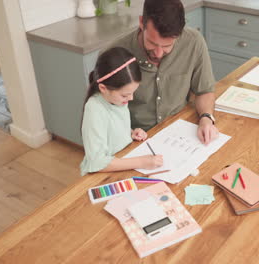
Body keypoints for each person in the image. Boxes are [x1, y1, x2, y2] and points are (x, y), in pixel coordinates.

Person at [119, 0, 219, 145]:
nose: (159, 53)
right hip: (133, 139)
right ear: (141, 22)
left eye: (167, 46)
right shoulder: (116, 53)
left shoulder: (193, 42)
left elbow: (204, 90)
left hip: (179, 134)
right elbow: (103, 114)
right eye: (152, 43)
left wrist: (206, 118)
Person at [80, 47, 163, 176]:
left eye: (132, 93)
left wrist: (130, 133)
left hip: (122, 161)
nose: (131, 98)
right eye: (125, 95)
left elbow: (111, 129)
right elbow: (97, 162)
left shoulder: (116, 99)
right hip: (102, 175)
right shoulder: (94, 109)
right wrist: (141, 162)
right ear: (103, 88)